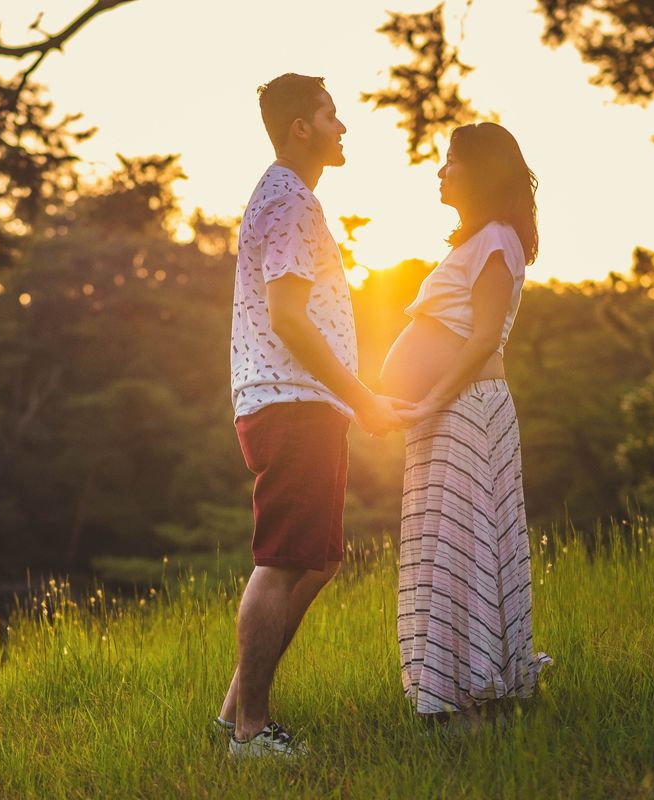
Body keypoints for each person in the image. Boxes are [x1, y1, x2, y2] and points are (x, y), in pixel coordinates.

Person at [219, 73, 408, 758]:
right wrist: (362, 398)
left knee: (320, 560)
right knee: (282, 562)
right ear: (302, 126)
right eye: (333, 115)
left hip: (305, 404)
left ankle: (236, 712)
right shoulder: (291, 201)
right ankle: (250, 731)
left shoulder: (288, 198)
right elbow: (289, 319)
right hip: (292, 402)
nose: (343, 127)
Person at [384, 122, 552, 719]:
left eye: (451, 162)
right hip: (448, 412)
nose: (441, 171)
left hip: (468, 410)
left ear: (479, 172)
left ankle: (478, 694)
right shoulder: (476, 241)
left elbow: (482, 338)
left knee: (468, 546)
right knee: (445, 548)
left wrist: (432, 398)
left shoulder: (499, 240)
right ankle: (453, 688)